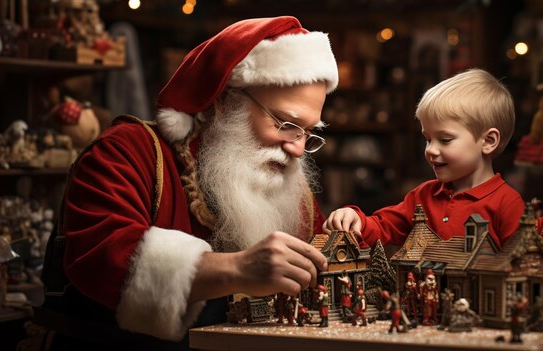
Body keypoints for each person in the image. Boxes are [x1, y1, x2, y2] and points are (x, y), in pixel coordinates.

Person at [41, 16, 338, 350]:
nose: (297, 148)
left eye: (309, 133)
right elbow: (101, 258)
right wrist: (238, 268)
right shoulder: (128, 150)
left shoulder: (288, 183)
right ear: (226, 101)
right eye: (285, 123)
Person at [323, 68, 525, 249]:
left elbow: (519, 267)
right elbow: (384, 226)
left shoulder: (507, 204)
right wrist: (356, 220)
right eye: (428, 139)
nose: (430, 150)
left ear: (488, 141)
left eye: (445, 140)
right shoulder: (423, 196)